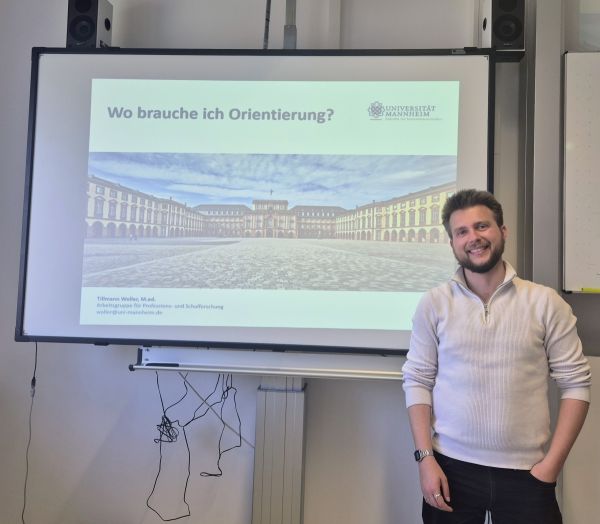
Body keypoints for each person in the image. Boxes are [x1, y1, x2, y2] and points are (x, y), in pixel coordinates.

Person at [401, 189, 591, 524]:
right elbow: (417, 379)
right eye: (461, 232)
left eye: (482, 226)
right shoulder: (434, 303)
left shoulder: (545, 303)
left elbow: (576, 385)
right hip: (449, 468)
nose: (473, 238)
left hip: (528, 473)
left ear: (502, 231)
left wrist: (551, 467)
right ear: (452, 243)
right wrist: (425, 458)